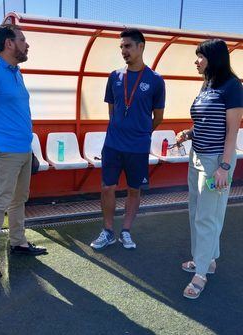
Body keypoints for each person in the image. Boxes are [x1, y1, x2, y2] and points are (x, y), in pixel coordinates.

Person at [0, 24, 47, 278]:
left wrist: (29, 148)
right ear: (9, 43)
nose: (27, 44)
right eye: (23, 40)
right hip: (4, 151)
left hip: (23, 149)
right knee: (0, 202)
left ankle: (18, 243)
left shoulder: (16, 72)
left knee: (18, 200)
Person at [176, 39, 243, 299]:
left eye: (200, 57)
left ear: (213, 58)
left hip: (216, 162)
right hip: (197, 158)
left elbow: (231, 132)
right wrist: (188, 133)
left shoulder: (232, 86)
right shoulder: (207, 86)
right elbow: (205, 123)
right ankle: (207, 260)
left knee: (207, 215)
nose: (196, 61)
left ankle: (200, 273)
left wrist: (224, 167)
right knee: (197, 211)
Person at [90, 28, 165, 250]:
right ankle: (108, 231)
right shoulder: (114, 76)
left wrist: (141, 133)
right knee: (107, 187)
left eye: (128, 46)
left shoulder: (155, 80)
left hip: (138, 147)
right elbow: (112, 111)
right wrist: (120, 129)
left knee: (134, 189)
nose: (124, 51)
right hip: (113, 145)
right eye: (121, 47)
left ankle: (126, 231)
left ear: (141, 47)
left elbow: (158, 118)